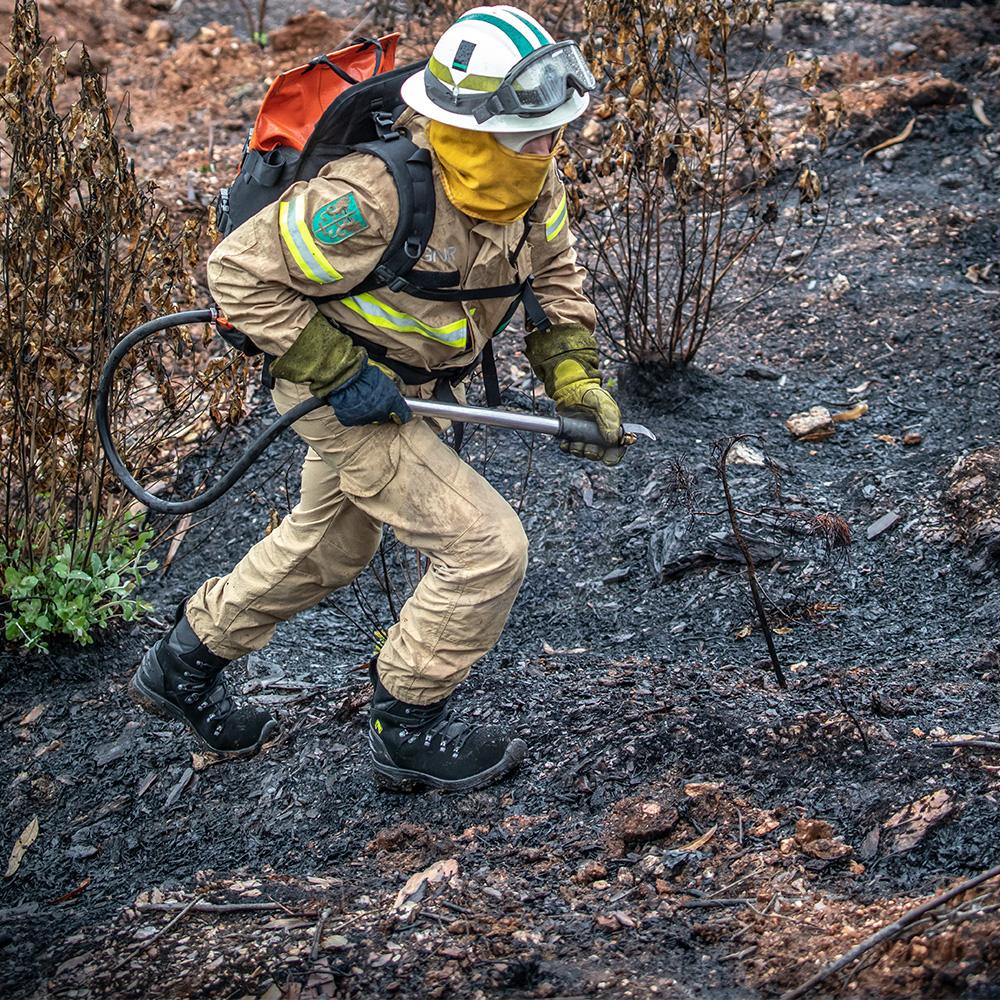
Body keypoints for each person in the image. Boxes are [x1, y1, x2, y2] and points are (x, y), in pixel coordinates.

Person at [129, 5, 625, 791]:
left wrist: (575, 377)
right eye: (535, 132)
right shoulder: (372, 196)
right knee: (485, 549)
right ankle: (407, 724)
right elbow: (239, 272)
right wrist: (338, 371)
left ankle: (180, 665)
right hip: (339, 389)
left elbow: (554, 276)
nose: (553, 144)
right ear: (474, 126)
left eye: (556, 131)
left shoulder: (530, 174)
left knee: (332, 545)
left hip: (412, 388)